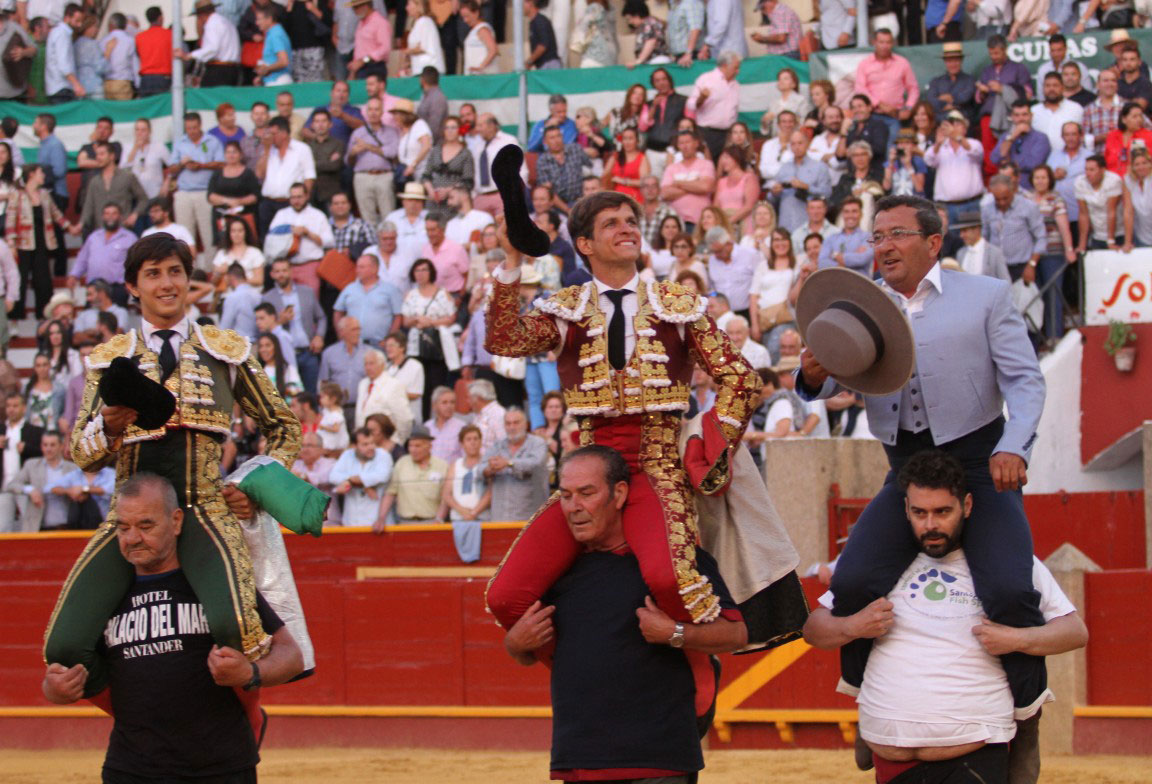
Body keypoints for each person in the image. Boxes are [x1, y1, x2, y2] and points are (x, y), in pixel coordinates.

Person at [796, 195, 1049, 769]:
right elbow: (822, 376)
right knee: (855, 580)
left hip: (981, 465)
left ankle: (1028, 713)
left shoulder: (985, 296)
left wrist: (1014, 447)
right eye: (877, 235)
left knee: (1010, 590)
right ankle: (867, 705)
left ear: (933, 242)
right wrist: (809, 376)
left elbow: (1026, 383)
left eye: (897, 234)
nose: (882, 245)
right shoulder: (861, 307)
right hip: (904, 469)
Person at [485, 189, 759, 633]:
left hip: (658, 468)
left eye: (631, 220)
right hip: (587, 474)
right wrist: (510, 259)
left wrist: (704, 447)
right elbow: (504, 340)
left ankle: (693, 670)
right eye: (612, 223)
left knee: (672, 582)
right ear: (585, 245)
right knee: (505, 596)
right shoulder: (566, 310)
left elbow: (741, 379)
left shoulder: (678, 305)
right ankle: (579, 663)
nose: (628, 227)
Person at [45, 233, 303, 700]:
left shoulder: (228, 350)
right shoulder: (110, 359)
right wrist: (111, 427)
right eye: (153, 274)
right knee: (64, 645)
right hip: (131, 520)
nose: (166, 284)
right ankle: (134, 717)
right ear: (132, 287)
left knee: (238, 632)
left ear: (189, 280)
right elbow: (81, 454)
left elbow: (285, 426)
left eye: (175, 272)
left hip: (204, 509)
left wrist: (254, 484)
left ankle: (243, 723)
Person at [804, 450, 1088, 783]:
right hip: (891, 759)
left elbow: (1075, 631)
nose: (931, 525)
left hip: (972, 758)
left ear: (966, 506)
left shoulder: (1004, 563)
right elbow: (813, 630)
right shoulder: (881, 562)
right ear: (905, 510)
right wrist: (852, 626)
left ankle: (1028, 726)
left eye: (942, 512)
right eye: (919, 512)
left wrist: (1017, 639)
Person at [503, 445, 747, 781]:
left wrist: (675, 633)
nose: (574, 507)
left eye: (587, 493)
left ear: (619, 494)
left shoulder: (677, 561)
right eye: (566, 495)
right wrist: (515, 646)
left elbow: (736, 634)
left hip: (658, 758)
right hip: (581, 757)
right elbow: (537, 652)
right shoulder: (556, 574)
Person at [402, 257, 459, 420]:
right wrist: (417, 320)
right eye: (417, 270)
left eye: (424, 270)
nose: (420, 274)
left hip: (436, 344)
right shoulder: (410, 295)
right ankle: (424, 420)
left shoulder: (442, 293)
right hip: (417, 345)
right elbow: (405, 320)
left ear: (431, 272)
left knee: (436, 384)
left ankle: (439, 419)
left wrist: (431, 322)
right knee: (420, 385)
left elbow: (451, 317)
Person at [168, 113, 225, 270]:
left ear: (200, 125)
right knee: (185, 237)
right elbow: (171, 169)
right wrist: (182, 164)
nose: (192, 131)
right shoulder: (180, 143)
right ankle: (187, 273)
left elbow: (221, 164)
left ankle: (211, 272)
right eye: (188, 128)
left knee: (209, 235)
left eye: (194, 127)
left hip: (205, 192)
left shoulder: (212, 141)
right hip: (184, 192)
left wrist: (201, 165)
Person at [264, 257, 326, 394]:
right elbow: (263, 330)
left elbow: (321, 317)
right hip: (284, 356)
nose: (281, 274)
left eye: (284, 270)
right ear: (272, 274)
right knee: (290, 396)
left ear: (291, 272)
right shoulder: (268, 298)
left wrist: (319, 336)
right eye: (277, 271)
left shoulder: (307, 292)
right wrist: (279, 322)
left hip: (308, 352)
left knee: (312, 395)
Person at [482, 407, 549, 523]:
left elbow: (536, 464)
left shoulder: (538, 443)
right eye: (508, 424)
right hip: (500, 518)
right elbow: (479, 469)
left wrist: (509, 463)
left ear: (526, 424)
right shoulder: (497, 446)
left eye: (516, 423)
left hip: (530, 517)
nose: (512, 427)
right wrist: (489, 469)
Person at [266, 182, 333, 295]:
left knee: (309, 302)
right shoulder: (282, 214)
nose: (296, 201)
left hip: (309, 266)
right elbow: (271, 236)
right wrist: (289, 229)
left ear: (307, 196)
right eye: (293, 197)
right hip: (286, 267)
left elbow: (329, 242)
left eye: (299, 197)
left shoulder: (318, 215)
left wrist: (308, 233)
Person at [853, 29, 919, 142]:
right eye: (881, 42)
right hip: (871, 114)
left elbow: (913, 88)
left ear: (892, 43)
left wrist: (908, 107)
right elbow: (860, 88)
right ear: (874, 42)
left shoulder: (902, 63)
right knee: (867, 146)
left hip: (895, 115)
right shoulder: (865, 64)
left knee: (894, 146)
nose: (885, 46)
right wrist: (879, 103)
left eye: (888, 42)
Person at [374, 424, 447, 525]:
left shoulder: (442, 466)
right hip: (405, 523)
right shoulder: (401, 463)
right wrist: (381, 518)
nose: (413, 450)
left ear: (429, 446)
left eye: (417, 446)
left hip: (432, 522)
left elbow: (446, 498)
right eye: (410, 445)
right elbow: (390, 493)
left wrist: (439, 519)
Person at [346, 97, 400, 228]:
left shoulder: (391, 132)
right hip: (362, 177)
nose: (373, 112)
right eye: (370, 109)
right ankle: (372, 247)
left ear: (382, 112)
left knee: (388, 217)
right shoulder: (357, 133)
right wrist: (352, 153)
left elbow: (391, 153)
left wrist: (367, 146)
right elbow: (348, 161)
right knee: (367, 218)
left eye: (377, 109)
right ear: (366, 112)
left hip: (384, 176)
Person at [79, 142, 148, 237]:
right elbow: (88, 207)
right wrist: (80, 225)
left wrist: (134, 215)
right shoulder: (94, 181)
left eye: (102, 154)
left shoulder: (127, 176)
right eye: (97, 155)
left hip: (123, 231)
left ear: (112, 156)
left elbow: (143, 199)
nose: (98, 157)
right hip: (101, 233)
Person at [330, 426, 393, 525]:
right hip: (351, 520)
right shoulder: (347, 455)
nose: (371, 447)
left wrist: (350, 481)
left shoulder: (383, 455)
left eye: (372, 443)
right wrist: (364, 486)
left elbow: (382, 476)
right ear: (354, 446)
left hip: (377, 522)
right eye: (365, 444)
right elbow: (333, 477)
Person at [686, 50, 741, 162]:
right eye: (735, 67)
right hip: (707, 134)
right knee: (707, 168)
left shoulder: (736, 85)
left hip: (728, 135)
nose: (738, 71)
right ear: (725, 66)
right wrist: (701, 98)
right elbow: (690, 105)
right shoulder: (706, 79)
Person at [174, 0, 241, 87]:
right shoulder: (226, 22)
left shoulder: (212, 24)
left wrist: (189, 56)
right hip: (232, 69)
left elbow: (212, 48)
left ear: (201, 15)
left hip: (219, 70)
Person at [661, 131, 716, 233]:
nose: (685, 146)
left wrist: (678, 183)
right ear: (678, 146)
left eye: (688, 142)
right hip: (676, 225)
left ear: (696, 143)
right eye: (681, 143)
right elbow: (665, 194)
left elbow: (705, 187)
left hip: (700, 222)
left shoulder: (706, 164)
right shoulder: (671, 168)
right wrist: (695, 185)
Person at [354, 347, 413, 440]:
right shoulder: (363, 384)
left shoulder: (394, 385)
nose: (368, 367)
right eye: (366, 364)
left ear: (382, 365)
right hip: (364, 441)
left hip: (386, 441)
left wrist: (397, 442)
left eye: (372, 363)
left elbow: (405, 419)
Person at [319, 317, 367, 424]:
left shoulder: (369, 353)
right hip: (335, 409)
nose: (358, 333)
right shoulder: (329, 353)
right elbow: (324, 383)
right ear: (342, 332)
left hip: (360, 408)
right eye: (354, 329)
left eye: (359, 329)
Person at [1075, 154, 1126, 253]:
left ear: (1102, 170)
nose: (1087, 173)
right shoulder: (1080, 182)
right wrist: (1082, 244)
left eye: (1092, 170)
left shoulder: (1114, 180)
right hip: (1096, 235)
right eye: (1086, 169)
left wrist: (1110, 241)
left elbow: (1111, 211)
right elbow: (1083, 214)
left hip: (1118, 234)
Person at [422, 116, 475, 205]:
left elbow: (468, 182)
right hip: (434, 200)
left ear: (459, 130)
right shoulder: (436, 150)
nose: (449, 131)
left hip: (455, 201)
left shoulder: (466, 153)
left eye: (453, 128)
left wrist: (448, 190)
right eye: (447, 128)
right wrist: (430, 190)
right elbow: (425, 176)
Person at [1032, 72, 1085, 153]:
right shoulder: (1034, 111)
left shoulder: (1075, 108)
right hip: (1039, 161)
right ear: (1043, 88)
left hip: (1068, 159)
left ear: (1062, 88)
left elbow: (1083, 136)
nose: (1051, 89)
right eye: (1047, 86)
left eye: (1055, 85)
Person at [303, 111, 345, 209]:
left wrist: (312, 164)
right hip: (311, 192)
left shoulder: (338, 144)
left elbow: (334, 166)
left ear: (330, 124)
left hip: (331, 192)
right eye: (317, 121)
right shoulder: (306, 146)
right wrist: (327, 161)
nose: (320, 124)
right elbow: (303, 168)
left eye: (323, 121)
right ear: (312, 125)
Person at [212, 216, 265, 288]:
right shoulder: (221, 254)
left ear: (245, 232)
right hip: (227, 296)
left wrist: (237, 281)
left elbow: (259, 280)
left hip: (249, 294)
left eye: (240, 231)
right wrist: (219, 272)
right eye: (233, 231)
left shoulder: (255, 252)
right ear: (229, 233)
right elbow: (213, 283)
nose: (236, 234)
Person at [392, 98, 434, 186]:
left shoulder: (419, 125)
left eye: (396, 114)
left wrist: (413, 165)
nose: (394, 117)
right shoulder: (402, 131)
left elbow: (426, 146)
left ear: (404, 115)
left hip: (421, 174)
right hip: (408, 176)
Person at [1104, 102, 1152, 178]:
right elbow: (1106, 161)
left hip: (1138, 180)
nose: (1139, 119)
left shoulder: (1148, 136)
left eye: (1140, 116)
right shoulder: (1112, 136)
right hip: (1113, 181)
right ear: (1124, 119)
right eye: (1135, 117)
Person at [345, 0, 390, 79]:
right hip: (361, 67)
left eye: (356, 7)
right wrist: (354, 70)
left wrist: (363, 61)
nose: (354, 11)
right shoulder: (361, 23)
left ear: (365, 6)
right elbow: (360, 48)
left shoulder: (380, 22)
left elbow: (384, 48)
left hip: (375, 67)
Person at [1085, 69, 1125, 156]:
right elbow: (1082, 139)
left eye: (1113, 81)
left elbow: (1146, 130)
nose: (1110, 84)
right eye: (1105, 80)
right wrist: (1099, 138)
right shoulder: (1089, 109)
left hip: (1123, 159)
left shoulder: (1126, 106)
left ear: (1117, 85)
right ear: (1098, 85)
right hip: (1099, 160)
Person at [135, 7, 172, 96]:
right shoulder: (170, 35)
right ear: (160, 18)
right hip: (163, 78)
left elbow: (138, 55)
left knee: (147, 107)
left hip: (145, 78)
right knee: (163, 107)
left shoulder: (139, 37)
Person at [252, 4, 292, 86]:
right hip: (275, 80)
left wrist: (266, 69)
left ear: (269, 19)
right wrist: (261, 76)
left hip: (278, 81)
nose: (257, 23)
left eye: (259, 19)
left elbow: (284, 61)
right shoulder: (272, 33)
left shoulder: (275, 34)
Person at [570, 0, 615, 69]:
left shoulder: (594, 7)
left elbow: (583, 26)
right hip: (608, 57)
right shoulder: (609, 9)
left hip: (593, 56)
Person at [623, 0, 669, 66]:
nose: (630, 22)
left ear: (637, 15)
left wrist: (638, 61)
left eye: (629, 18)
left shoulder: (650, 23)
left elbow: (651, 42)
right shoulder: (643, 26)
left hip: (656, 62)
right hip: (649, 62)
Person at [460, 0, 497, 74]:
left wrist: (481, 67)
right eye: (463, 17)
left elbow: (493, 50)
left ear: (476, 13)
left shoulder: (482, 29)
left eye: (467, 16)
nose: (465, 20)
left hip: (482, 78)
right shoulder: (475, 30)